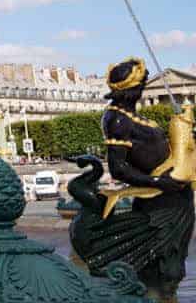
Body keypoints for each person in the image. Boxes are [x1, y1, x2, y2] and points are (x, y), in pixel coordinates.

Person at [68, 58, 193, 302]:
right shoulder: (117, 119)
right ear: (131, 90)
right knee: (163, 265)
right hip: (160, 202)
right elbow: (118, 169)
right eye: (141, 86)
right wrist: (159, 182)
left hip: (174, 198)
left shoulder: (129, 115)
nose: (142, 91)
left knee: (171, 261)